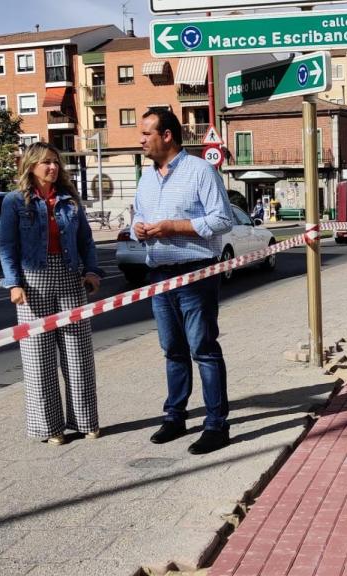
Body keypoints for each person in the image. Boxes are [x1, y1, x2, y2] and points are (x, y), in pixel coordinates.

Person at [133, 108, 235, 455]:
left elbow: (222, 219)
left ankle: (216, 425)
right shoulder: (146, 179)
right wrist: (138, 228)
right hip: (159, 275)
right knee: (172, 350)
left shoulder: (200, 171)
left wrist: (173, 227)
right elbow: (139, 215)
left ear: (167, 136)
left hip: (195, 274)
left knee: (203, 349)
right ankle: (175, 417)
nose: (140, 140)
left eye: (146, 133)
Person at [0, 142, 104, 445]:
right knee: (39, 358)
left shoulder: (69, 200)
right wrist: (14, 283)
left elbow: (86, 241)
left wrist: (92, 271)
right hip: (33, 281)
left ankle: (85, 421)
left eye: (55, 162)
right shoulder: (14, 202)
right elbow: (7, 246)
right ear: (31, 166)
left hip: (70, 276)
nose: (53, 167)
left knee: (78, 353)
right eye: (46, 162)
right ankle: (50, 428)